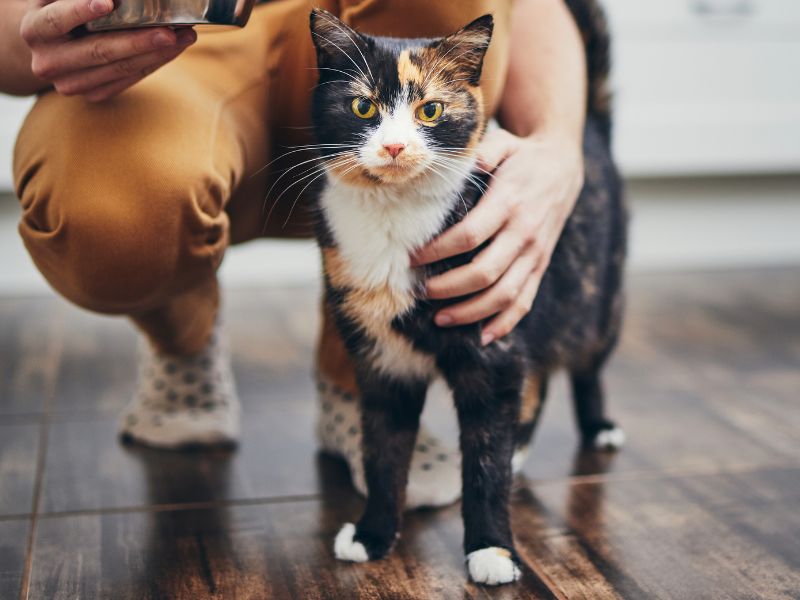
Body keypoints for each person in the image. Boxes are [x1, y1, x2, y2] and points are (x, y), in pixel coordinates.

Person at [2, 0, 595, 507]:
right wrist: (48, 26)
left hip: (389, 60)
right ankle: (182, 336)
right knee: (111, 212)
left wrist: (559, 144)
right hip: (174, 45)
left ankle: (361, 379)